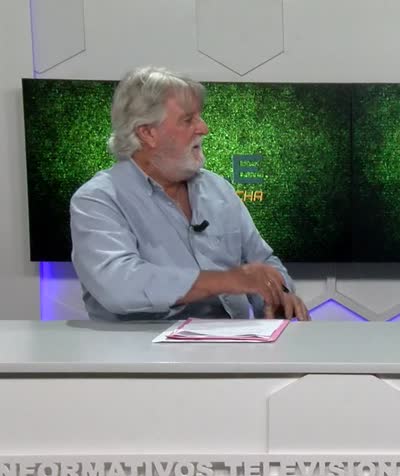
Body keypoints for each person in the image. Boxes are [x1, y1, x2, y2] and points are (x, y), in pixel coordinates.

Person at [70, 66, 309, 321]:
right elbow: (119, 285)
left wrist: (279, 294)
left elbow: (262, 260)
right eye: (188, 120)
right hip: (144, 345)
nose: (204, 128)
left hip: (232, 342)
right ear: (147, 133)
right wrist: (226, 280)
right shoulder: (98, 200)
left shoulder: (217, 189)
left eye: (199, 117)